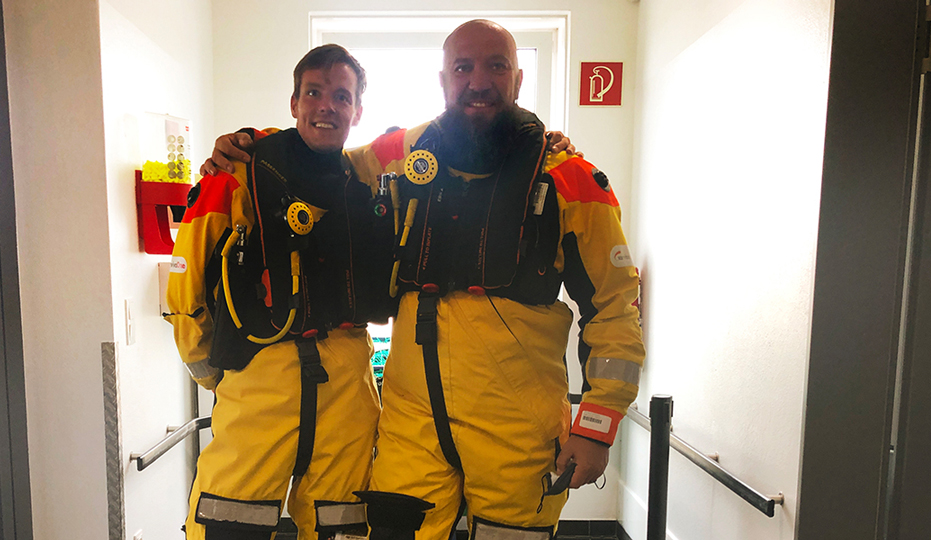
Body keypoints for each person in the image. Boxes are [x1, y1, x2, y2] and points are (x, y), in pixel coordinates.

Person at [204, 20, 642, 539]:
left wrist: (596, 427)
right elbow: (321, 158)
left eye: (496, 66)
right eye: (463, 67)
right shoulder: (404, 153)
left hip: (517, 430)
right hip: (411, 427)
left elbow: (616, 309)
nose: (478, 81)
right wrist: (250, 148)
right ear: (443, 79)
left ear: (519, 79)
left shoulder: (569, 179)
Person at [164, 44, 394, 540]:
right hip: (257, 386)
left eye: (341, 96)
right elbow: (186, 291)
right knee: (228, 523)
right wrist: (216, 374)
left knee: (343, 527)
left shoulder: (366, 177)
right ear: (294, 103)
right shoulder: (236, 173)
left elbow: (437, 137)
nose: (326, 106)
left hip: (347, 392)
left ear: (358, 110)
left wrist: (545, 141)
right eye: (313, 92)